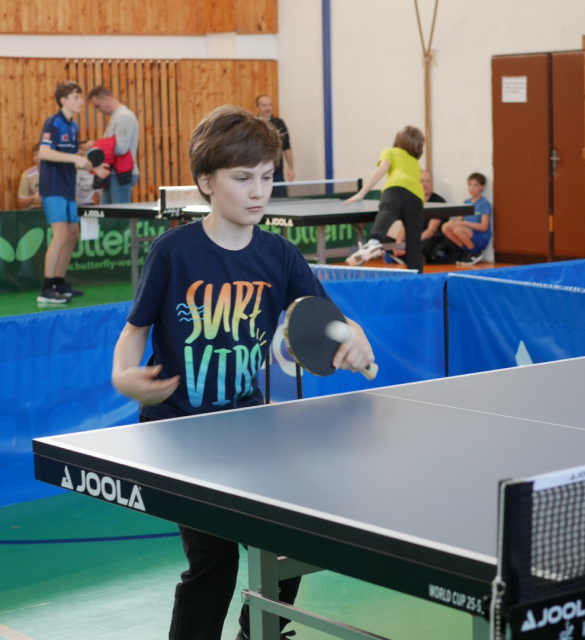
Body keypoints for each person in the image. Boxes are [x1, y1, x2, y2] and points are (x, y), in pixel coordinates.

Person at [110, 105, 374, 640]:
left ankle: (259, 634)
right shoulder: (173, 252)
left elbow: (329, 320)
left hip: (247, 423)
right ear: (207, 182)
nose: (258, 192)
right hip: (178, 428)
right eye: (242, 178)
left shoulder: (278, 255)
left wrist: (355, 337)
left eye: (267, 177)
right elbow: (134, 330)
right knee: (216, 559)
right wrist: (123, 377)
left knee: (292, 540)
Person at [37, 80, 93, 304]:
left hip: (69, 186)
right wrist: (75, 158)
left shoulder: (73, 126)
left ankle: (59, 281)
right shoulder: (53, 123)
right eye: (75, 97)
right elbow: (44, 152)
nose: (80, 101)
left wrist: (87, 162)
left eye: (80, 97)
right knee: (60, 234)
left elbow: (70, 156)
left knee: (72, 233)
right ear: (63, 100)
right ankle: (46, 288)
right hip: (53, 186)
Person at [343, 126, 427, 272]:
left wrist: (361, 193)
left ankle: (374, 242)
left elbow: (382, 168)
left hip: (395, 190)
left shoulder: (390, 151)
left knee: (387, 212)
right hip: (416, 199)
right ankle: (417, 275)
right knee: (414, 243)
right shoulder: (415, 162)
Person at [88, 86, 140, 204]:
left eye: (98, 106)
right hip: (113, 173)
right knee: (107, 212)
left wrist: (95, 146)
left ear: (106, 99)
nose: (98, 110)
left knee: (119, 214)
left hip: (121, 173)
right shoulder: (117, 116)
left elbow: (121, 148)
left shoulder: (123, 116)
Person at [384, 169, 445, 264]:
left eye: (428, 181)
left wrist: (412, 243)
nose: (425, 184)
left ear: (432, 183)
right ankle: (405, 256)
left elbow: (431, 230)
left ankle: (404, 257)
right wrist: (399, 242)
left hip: (428, 239)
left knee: (424, 245)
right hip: (412, 239)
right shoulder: (412, 200)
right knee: (387, 242)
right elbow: (404, 226)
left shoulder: (438, 201)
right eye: (422, 181)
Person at [440, 172, 492, 266]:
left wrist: (464, 223)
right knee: (446, 227)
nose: (472, 188)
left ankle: (475, 253)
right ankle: (466, 251)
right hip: (466, 232)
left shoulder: (483, 204)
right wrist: (453, 222)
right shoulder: (466, 202)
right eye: (470, 185)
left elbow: (484, 227)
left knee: (458, 229)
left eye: (475, 185)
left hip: (480, 237)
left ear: (482, 187)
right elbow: (459, 220)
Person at [255, 95, 294, 196]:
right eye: (264, 105)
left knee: (282, 200)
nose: (268, 108)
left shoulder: (279, 123)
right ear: (257, 108)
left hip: (277, 173)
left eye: (270, 105)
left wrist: (290, 168)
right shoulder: (252, 124)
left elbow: (286, 146)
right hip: (257, 172)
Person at [17, 144, 42, 210]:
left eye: (40, 155)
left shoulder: (56, 174)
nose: (37, 158)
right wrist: (33, 198)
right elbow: (21, 203)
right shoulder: (27, 175)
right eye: (35, 155)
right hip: (33, 211)